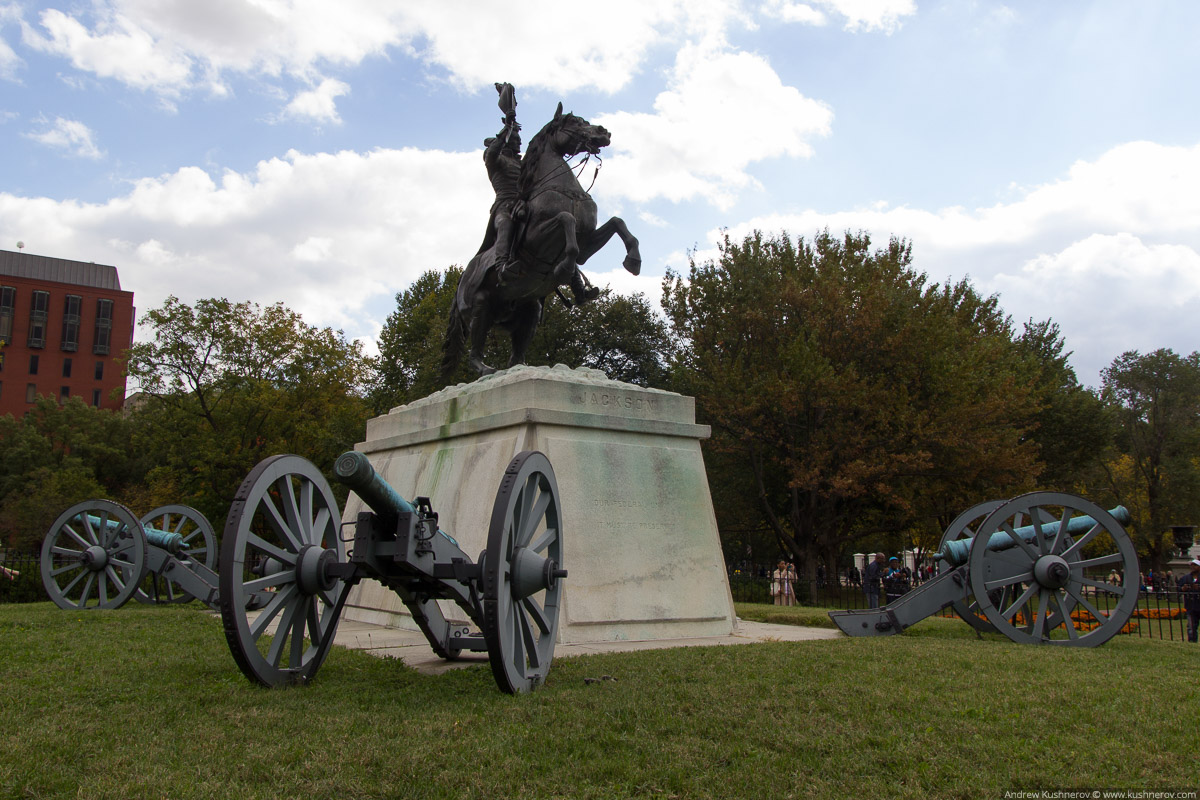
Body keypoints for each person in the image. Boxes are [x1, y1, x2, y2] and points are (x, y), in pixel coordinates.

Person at [1178, 558, 1200, 643]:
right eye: (1192, 565)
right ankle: (1192, 641)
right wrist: (1183, 589)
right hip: (1191, 605)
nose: (1193, 567)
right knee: (1191, 626)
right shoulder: (1185, 578)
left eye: (1195, 565)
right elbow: (1178, 588)